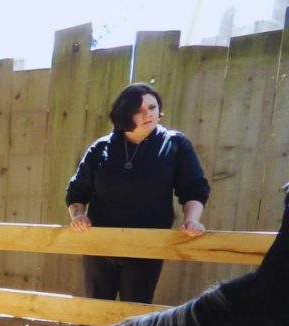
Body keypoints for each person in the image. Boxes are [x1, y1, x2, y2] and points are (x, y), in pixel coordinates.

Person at [65, 82, 210, 304]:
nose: (148, 114)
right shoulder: (101, 148)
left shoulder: (175, 144)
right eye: (139, 110)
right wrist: (78, 216)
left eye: (152, 108)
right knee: (94, 311)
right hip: (100, 244)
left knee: (134, 314)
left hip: (147, 246)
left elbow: (194, 187)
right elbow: (77, 190)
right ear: (124, 113)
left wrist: (192, 220)